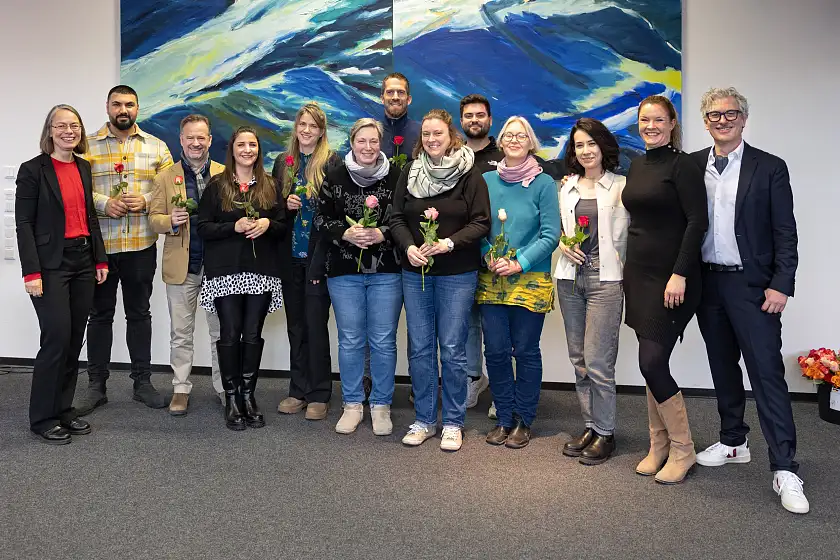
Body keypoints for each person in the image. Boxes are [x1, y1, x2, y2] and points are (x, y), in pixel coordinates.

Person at [690, 87, 807, 513]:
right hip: (708, 284)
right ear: (706, 121)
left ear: (743, 119)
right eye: (715, 114)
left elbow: (785, 232)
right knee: (722, 367)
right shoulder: (692, 167)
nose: (723, 120)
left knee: (766, 374)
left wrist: (782, 283)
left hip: (753, 286)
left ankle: (785, 467)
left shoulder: (769, 167)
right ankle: (733, 441)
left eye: (731, 113)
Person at [390, 109, 490, 452]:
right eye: (427, 135)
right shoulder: (410, 171)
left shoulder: (469, 173)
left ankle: (453, 422)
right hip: (415, 272)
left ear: (451, 137)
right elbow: (396, 217)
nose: (432, 140)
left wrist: (449, 243)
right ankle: (424, 420)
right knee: (419, 348)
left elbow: (481, 222)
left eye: (438, 134)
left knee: (452, 349)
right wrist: (408, 247)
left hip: (457, 274)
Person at [622, 95, 708, 484]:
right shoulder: (637, 165)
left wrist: (680, 273)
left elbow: (696, 222)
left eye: (658, 119)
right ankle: (659, 447)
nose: (651, 125)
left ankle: (683, 450)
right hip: (638, 275)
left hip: (671, 278)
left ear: (672, 123)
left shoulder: (684, 165)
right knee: (649, 360)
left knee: (652, 362)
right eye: (644, 120)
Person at [74, 85, 174, 415]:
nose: (123, 109)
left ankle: (142, 383)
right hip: (100, 248)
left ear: (137, 108)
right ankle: (96, 386)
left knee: (139, 314)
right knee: (99, 315)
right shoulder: (86, 146)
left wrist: (145, 201)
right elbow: (76, 190)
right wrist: (104, 204)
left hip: (140, 246)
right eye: (117, 103)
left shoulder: (157, 148)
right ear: (107, 107)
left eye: (129, 104)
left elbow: (171, 191)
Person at [15, 105, 109, 444]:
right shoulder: (32, 170)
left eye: (74, 125)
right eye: (61, 126)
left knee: (73, 341)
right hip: (50, 265)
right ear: (50, 131)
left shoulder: (84, 167)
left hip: (83, 262)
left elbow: (91, 218)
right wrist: (31, 272)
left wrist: (100, 260)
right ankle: (42, 417)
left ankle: (63, 409)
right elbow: (23, 224)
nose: (69, 131)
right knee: (55, 339)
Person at [314, 118, 403, 435]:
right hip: (343, 271)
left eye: (374, 141)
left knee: (382, 341)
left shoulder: (395, 176)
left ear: (381, 143)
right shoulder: (335, 176)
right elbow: (321, 219)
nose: (368, 147)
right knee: (350, 340)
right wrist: (346, 233)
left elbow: (406, 219)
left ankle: (381, 405)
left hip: (387, 271)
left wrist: (383, 233)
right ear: (351, 142)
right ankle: (352, 404)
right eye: (361, 141)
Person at [477, 116, 561, 449]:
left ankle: (524, 420)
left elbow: (551, 233)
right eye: (509, 134)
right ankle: (504, 417)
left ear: (530, 142)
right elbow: (478, 226)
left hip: (530, 279)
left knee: (524, 351)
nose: (514, 139)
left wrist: (519, 262)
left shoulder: (544, 184)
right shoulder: (484, 181)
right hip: (492, 277)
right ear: (500, 141)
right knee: (495, 352)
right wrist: (488, 256)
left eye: (521, 135)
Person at [196, 126, 286, 430]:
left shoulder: (270, 186)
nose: (247, 150)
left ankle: (249, 396)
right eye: (241, 145)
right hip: (225, 273)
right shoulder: (217, 186)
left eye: (252, 145)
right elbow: (203, 228)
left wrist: (267, 223)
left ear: (258, 150)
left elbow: (283, 225)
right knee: (230, 334)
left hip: (261, 273)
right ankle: (231, 398)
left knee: (252, 334)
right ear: (232, 149)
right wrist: (231, 228)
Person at [555, 118, 627, 464]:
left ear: (603, 146)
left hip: (605, 281)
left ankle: (606, 433)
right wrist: (561, 245)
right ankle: (589, 424)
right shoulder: (566, 187)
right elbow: (558, 230)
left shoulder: (621, 187)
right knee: (579, 361)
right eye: (579, 145)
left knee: (599, 361)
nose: (585, 151)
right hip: (569, 280)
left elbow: (629, 238)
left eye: (591, 144)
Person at [149, 114, 224, 415]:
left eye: (201, 137)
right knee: (181, 332)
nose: (196, 142)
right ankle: (180, 387)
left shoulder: (224, 173)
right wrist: (169, 221)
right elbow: (153, 219)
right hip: (182, 266)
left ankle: (223, 387)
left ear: (209, 140)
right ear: (181, 140)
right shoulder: (165, 177)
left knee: (221, 333)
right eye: (190, 137)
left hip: (219, 268)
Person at [273, 102, 340, 421]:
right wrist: (284, 205)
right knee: (295, 326)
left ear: (321, 131)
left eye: (313, 125)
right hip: (290, 258)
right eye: (303, 124)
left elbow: (336, 214)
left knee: (315, 326)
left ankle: (319, 393)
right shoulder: (282, 163)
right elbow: (272, 211)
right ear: (296, 127)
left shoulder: (331, 162)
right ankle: (297, 389)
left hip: (318, 259)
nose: (307, 130)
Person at [457, 94, 496, 409]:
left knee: (497, 324)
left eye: (480, 115)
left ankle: (499, 387)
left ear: (490, 120)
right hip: (464, 253)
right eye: (468, 115)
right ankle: (473, 378)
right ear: (461, 121)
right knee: (468, 322)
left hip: (498, 255)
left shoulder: (504, 154)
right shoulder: (454, 156)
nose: (474, 120)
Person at [380, 72, 421, 160]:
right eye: (390, 92)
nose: (395, 97)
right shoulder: (372, 133)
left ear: (409, 99)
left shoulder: (422, 133)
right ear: (382, 99)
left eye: (401, 92)